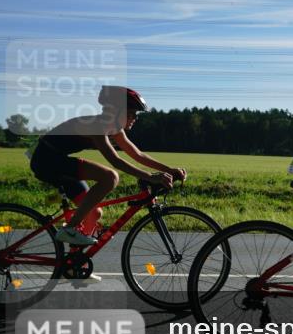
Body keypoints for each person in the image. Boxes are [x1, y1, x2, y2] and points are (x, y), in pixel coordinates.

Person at [29, 85, 185, 246]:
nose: (135, 118)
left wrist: (169, 170)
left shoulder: (114, 128)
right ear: (115, 111)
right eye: (131, 113)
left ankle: (73, 264)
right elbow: (115, 160)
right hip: (46, 160)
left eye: (136, 114)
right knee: (110, 177)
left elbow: (138, 155)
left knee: (94, 213)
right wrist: (150, 177)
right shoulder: (97, 125)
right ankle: (70, 228)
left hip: (58, 159)